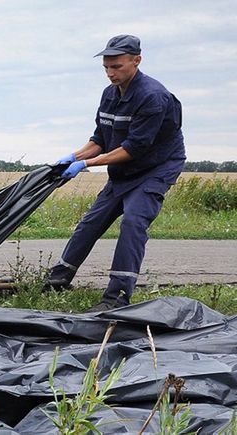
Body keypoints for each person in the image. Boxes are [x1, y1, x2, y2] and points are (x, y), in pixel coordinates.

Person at [46, 35, 185, 312]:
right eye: (107, 68)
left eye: (117, 67)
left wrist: (85, 165)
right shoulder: (110, 93)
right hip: (125, 169)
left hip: (155, 168)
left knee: (133, 221)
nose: (111, 73)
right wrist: (73, 156)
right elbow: (100, 138)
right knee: (91, 222)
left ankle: (117, 295)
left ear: (137, 61)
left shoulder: (152, 97)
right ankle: (58, 279)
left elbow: (133, 148)